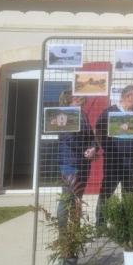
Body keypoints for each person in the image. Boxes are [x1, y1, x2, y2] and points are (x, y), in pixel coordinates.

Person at [95, 85, 133, 226]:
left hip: (132, 159)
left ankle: (125, 223)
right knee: (107, 191)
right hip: (114, 159)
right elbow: (98, 130)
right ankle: (101, 224)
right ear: (128, 96)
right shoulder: (110, 112)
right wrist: (105, 147)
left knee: (129, 192)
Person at [56, 90, 97, 232]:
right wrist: (84, 151)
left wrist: (93, 147)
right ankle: (63, 235)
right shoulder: (64, 115)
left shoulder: (82, 114)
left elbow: (91, 136)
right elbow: (68, 138)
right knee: (67, 198)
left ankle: (74, 233)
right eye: (77, 96)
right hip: (70, 163)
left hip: (83, 162)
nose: (82, 97)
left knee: (78, 196)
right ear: (69, 99)